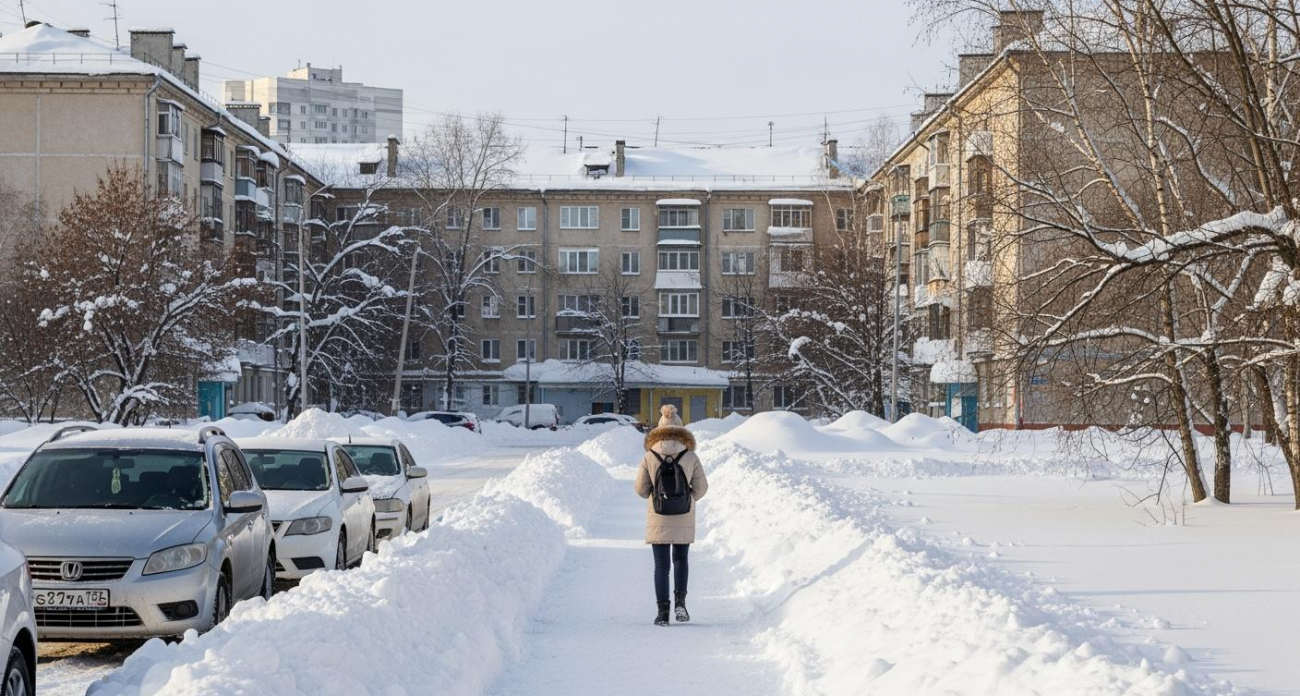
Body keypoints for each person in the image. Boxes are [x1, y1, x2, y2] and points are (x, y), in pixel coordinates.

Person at [634, 425, 708, 626]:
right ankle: (680, 604)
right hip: (683, 515)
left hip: (658, 516)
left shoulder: (650, 456)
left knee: (661, 565)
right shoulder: (690, 456)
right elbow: (702, 488)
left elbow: (641, 489)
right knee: (681, 560)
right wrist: (687, 498)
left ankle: (662, 611)